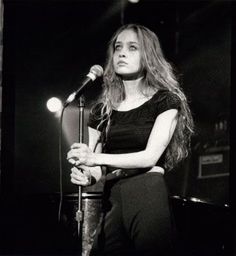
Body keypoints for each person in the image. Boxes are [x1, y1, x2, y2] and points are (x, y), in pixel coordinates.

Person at [67, 24, 194, 256]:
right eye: (118, 48)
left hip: (146, 190)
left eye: (132, 48)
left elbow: (150, 156)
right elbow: (96, 169)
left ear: (148, 56)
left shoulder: (165, 101)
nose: (122, 53)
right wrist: (86, 174)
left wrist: (92, 157)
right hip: (112, 195)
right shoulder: (101, 111)